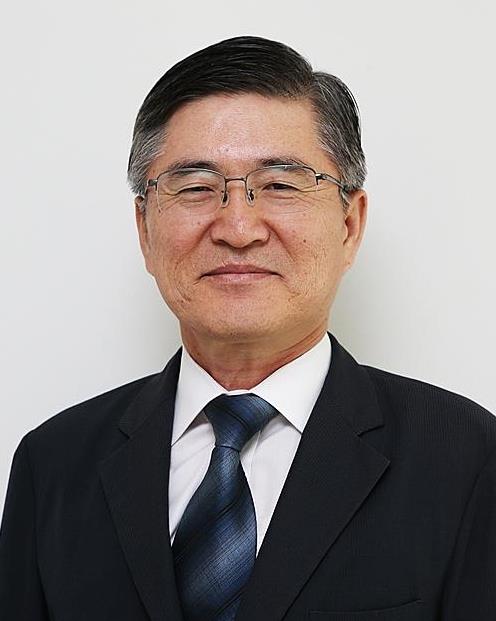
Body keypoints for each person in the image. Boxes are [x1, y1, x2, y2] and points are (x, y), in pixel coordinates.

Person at [1, 35, 495, 621]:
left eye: (281, 184)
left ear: (349, 225)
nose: (238, 228)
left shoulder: (468, 461)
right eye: (195, 187)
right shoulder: (53, 466)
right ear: (144, 229)